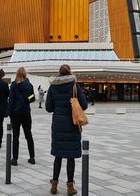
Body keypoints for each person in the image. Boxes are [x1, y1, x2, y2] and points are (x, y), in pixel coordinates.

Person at [46, 64, 87, 195]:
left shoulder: (53, 86)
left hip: (58, 125)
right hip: (72, 124)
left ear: (59, 73)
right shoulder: (74, 86)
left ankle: (54, 185)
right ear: (69, 73)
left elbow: (48, 108)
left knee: (58, 156)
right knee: (71, 157)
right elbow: (84, 106)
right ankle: (70, 187)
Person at [8, 67, 35, 165]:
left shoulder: (14, 86)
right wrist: (27, 100)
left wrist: (10, 113)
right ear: (25, 74)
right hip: (26, 112)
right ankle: (32, 157)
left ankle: (14, 159)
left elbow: (11, 101)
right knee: (29, 135)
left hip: (16, 113)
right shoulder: (29, 85)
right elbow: (32, 98)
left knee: (15, 136)